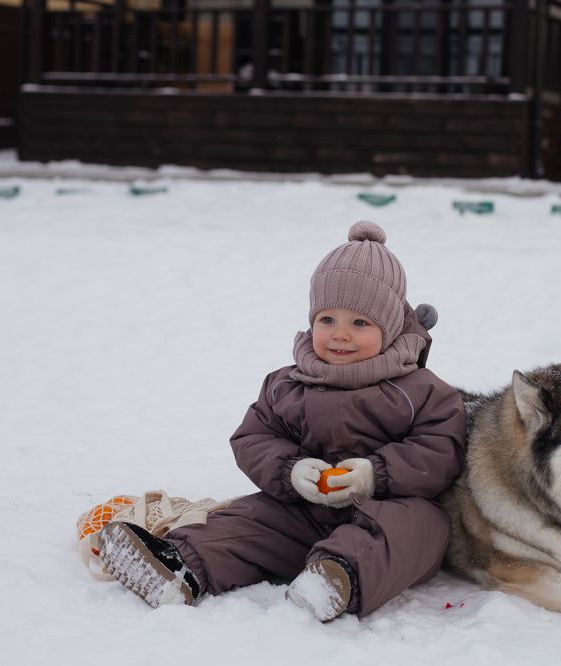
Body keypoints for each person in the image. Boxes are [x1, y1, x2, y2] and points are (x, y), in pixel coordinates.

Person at [98, 221, 467, 621]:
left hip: (387, 508)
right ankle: (178, 566)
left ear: (391, 327)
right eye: (327, 320)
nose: (340, 334)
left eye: (360, 323)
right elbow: (254, 436)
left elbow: (442, 449)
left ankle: (337, 579)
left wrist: (374, 474)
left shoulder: (418, 390)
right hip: (305, 513)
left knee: (420, 526)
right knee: (250, 518)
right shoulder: (287, 384)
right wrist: (291, 470)